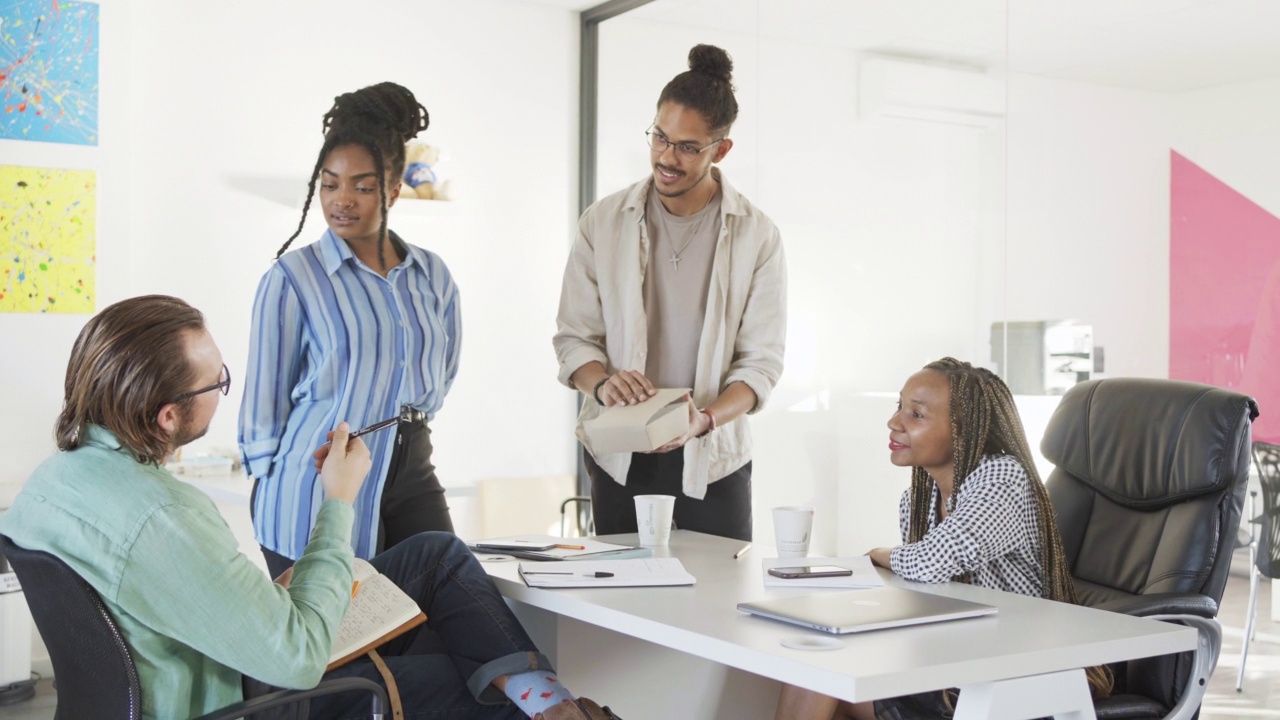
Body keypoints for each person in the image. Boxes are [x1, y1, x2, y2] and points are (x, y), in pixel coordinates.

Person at [0, 295, 616, 720]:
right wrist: (338, 499)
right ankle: (556, 709)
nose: (223, 391)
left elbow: (172, 592)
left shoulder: (50, 483)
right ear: (167, 416)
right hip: (244, 697)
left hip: (201, 660)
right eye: (218, 384)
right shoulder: (163, 514)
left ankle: (555, 708)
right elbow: (295, 658)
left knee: (436, 554)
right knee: (462, 673)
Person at [773, 358, 1112, 720]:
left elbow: (935, 559)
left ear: (962, 431)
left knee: (822, 673)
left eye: (916, 414)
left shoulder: (1002, 478)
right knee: (815, 664)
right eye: (899, 407)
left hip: (1022, 674)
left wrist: (883, 554)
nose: (894, 422)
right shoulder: (919, 500)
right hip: (963, 665)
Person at [553, 44, 786, 542]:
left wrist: (702, 421)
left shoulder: (757, 235)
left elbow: (760, 365)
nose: (666, 157)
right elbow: (574, 338)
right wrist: (601, 385)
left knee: (716, 609)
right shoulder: (603, 222)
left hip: (713, 458)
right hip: (619, 456)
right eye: (660, 137)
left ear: (720, 150)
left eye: (686, 146)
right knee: (619, 607)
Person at [240, 81, 460, 578]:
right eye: (329, 183)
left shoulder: (434, 277)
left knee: (449, 587)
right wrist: (277, 490)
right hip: (316, 479)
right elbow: (262, 408)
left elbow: (439, 380)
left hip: (412, 464)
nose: (342, 200)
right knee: (341, 646)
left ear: (394, 191)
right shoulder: (292, 279)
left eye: (362, 186)